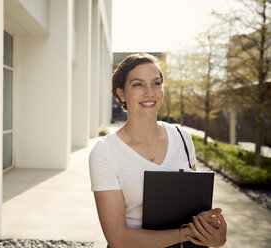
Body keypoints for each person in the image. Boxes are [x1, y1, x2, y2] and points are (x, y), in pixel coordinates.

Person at [89, 53, 227, 248]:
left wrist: (214, 233)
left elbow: (194, 209)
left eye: (156, 83)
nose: (150, 92)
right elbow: (117, 238)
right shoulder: (105, 152)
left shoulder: (182, 137)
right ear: (121, 94)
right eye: (138, 84)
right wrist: (185, 234)